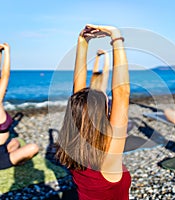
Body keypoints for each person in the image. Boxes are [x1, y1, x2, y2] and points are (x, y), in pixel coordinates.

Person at [56, 24, 131, 199]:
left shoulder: (71, 146)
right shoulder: (109, 152)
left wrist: (83, 42)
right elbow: (122, 93)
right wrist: (116, 36)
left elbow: (78, 97)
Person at [0, 42, 39, 170]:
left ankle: (12, 158)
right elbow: (5, 76)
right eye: (1, 86)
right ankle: (16, 162)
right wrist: (7, 51)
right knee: (34, 148)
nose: (4, 89)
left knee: (15, 142)